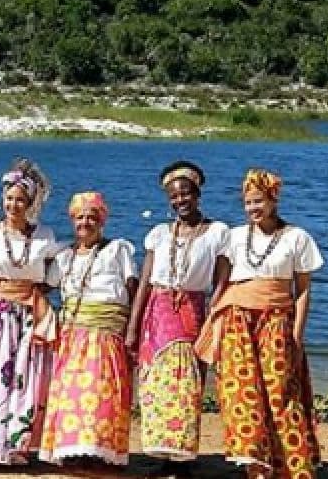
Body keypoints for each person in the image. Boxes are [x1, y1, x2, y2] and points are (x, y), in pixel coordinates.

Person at [195, 169, 322, 479]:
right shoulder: (235, 236)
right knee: (241, 392)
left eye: (258, 201)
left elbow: (302, 290)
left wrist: (297, 333)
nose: (252, 208)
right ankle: (255, 464)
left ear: (273, 200)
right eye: (247, 202)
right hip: (237, 318)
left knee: (280, 390)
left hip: (277, 319)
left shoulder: (297, 238)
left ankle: (292, 465)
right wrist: (213, 319)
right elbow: (222, 281)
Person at [126, 161, 230, 473]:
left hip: (191, 311)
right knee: (155, 385)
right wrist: (133, 325)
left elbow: (222, 282)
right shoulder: (158, 234)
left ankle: (183, 458)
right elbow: (144, 282)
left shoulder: (216, 233)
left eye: (185, 194)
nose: (179, 201)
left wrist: (215, 319)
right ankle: (160, 456)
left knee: (186, 384)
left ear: (197, 195)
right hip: (156, 313)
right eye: (173, 196)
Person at [0, 159, 59, 466]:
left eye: (20, 199)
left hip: (29, 314)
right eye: (9, 198)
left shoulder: (46, 236)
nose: (14, 204)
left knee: (26, 378)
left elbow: (54, 275)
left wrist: (29, 294)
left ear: (31, 202)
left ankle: (19, 447)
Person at [40, 192, 137, 469]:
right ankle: (73, 451)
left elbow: (132, 288)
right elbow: (45, 287)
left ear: (102, 221)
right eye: (80, 217)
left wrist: (134, 329)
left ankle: (99, 452)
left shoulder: (118, 249)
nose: (86, 223)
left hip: (106, 334)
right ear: (72, 221)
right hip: (72, 335)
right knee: (72, 395)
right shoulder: (64, 257)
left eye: (92, 217)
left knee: (101, 393)